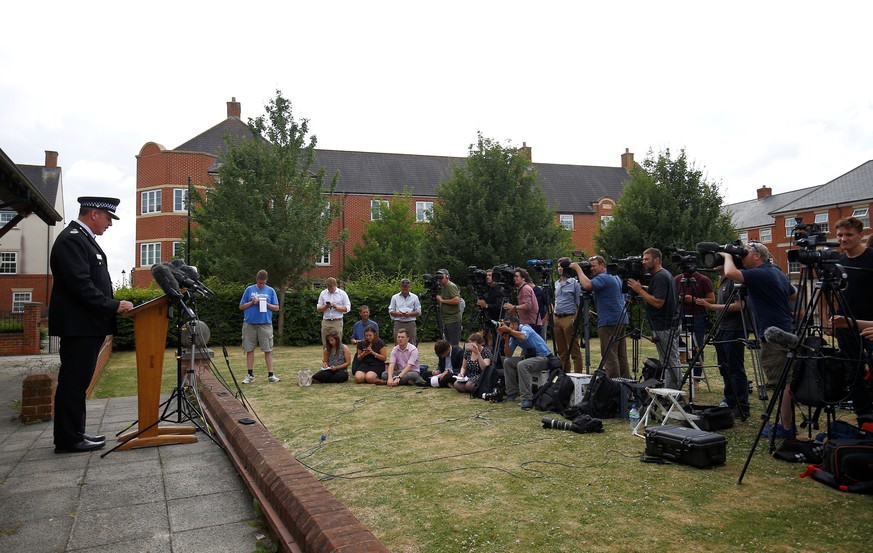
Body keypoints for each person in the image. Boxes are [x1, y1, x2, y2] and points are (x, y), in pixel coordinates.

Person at [49, 196, 134, 454]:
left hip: (86, 325)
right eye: (108, 218)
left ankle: (75, 432)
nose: (110, 223)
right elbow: (80, 285)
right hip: (79, 326)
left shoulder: (82, 239)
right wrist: (113, 305)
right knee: (73, 382)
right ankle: (68, 439)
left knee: (78, 382)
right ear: (94, 214)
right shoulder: (73, 239)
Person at [723, 241, 797, 438]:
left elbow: (730, 274)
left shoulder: (761, 273)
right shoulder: (776, 272)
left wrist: (727, 255)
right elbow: (794, 293)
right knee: (785, 380)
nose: (741, 256)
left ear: (757, 256)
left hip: (774, 334)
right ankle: (785, 424)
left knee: (781, 382)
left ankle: (786, 427)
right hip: (784, 328)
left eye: (744, 253)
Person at [832, 216, 873, 423]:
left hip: (870, 325)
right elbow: (828, 293)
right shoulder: (838, 262)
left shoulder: (871, 258)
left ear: (861, 235)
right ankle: (863, 414)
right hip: (844, 325)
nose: (843, 239)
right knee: (852, 370)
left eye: (848, 235)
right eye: (840, 235)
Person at [695, 265, 750, 415]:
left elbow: (740, 305)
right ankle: (730, 399)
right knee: (724, 367)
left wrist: (711, 306)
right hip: (723, 328)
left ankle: (741, 404)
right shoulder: (723, 280)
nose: (712, 263)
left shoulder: (734, 279)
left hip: (734, 329)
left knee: (735, 367)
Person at [627, 248, 681, 388]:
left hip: (664, 325)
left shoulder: (660, 277)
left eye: (647, 259)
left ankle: (673, 393)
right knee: (670, 359)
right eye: (643, 259)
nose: (643, 262)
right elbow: (657, 292)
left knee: (670, 361)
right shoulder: (663, 275)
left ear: (657, 260)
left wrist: (639, 290)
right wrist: (643, 287)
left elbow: (658, 302)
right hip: (669, 323)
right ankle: (671, 390)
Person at [576, 256, 630, 379]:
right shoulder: (614, 276)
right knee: (621, 355)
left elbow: (587, 285)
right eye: (590, 267)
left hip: (609, 321)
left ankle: (613, 385)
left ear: (602, 265)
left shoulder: (603, 277)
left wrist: (578, 269)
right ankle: (625, 385)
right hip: (620, 318)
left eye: (594, 266)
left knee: (609, 356)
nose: (592, 269)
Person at [497, 315, 553, 411]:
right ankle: (512, 392)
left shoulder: (525, 328)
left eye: (507, 325)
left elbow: (523, 337)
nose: (506, 327)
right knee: (507, 362)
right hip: (531, 358)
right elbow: (508, 355)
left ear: (515, 324)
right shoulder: (513, 336)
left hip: (544, 358)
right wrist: (506, 340)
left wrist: (510, 331)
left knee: (522, 364)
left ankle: (527, 398)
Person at [239, 269, 281, 384]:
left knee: (268, 349)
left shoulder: (270, 291)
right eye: (259, 282)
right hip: (250, 324)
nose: (261, 284)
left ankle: (271, 374)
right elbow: (241, 306)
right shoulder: (249, 290)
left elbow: (277, 308)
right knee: (249, 349)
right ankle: (250, 374)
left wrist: (266, 304)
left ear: (266, 280)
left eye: (263, 283)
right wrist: (252, 302)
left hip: (265, 323)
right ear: (256, 279)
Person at [674, 269, 715, 383]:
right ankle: (683, 351)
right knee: (673, 336)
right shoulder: (677, 279)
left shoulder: (703, 280)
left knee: (698, 347)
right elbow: (671, 296)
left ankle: (696, 378)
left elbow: (711, 299)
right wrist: (679, 298)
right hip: (680, 313)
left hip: (698, 315)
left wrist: (694, 299)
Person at [552, 258, 583, 373]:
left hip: (569, 317)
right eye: (558, 266)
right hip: (557, 318)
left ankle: (578, 375)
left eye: (562, 266)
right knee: (562, 351)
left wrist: (575, 319)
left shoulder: (574, 283)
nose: (560, 268)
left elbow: (579, 303)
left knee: (574, 350)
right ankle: (565, 375)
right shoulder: (556, 283)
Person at [503, 268, 541, 337]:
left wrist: (513, 307)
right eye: (514, 276)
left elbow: (528, 306)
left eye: (517, 276)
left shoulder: (525, 288)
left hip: (532, 323)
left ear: (523, 278)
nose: (514, 278)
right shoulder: (522, 289)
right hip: (528, 323)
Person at [317, 277, 351, 348]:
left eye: (331, 287)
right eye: (328, 287)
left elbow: (347, 308)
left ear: (335, 285)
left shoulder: (342, 293)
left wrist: (337, 307)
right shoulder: (323, 293)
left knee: (337, 342)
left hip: (337, 321)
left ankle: (337, 358)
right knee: (326, 343)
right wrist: (326, 306)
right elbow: (319, 308)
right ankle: (326, 358)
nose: (330, 289)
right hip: (326, 321)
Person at [475, 269, 503, 346]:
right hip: (491, 318)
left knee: (498, 342)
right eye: (486, 275)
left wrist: (486, 305)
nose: (487, 277)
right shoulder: (488, 289)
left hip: (498, 319)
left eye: (490, 275)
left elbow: (499, 305)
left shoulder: (498, 289)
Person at [389, 278, 421, 344]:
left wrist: (410, 314)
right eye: (403, 287)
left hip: (410, 322)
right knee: (398, 343)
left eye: (406, 287)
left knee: (412, 343)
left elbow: (419, 311)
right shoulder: (394, 297)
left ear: (409, 287)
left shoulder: (415, 297)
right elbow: (391, 310)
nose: (405, 288)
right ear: (400, 287)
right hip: (398, 322)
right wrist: (397, 313)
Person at [435, 269, 462, 345]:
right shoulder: (444, 287)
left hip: (452, 319)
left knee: (454, 343)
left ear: (447, 277)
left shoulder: (450, 286)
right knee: (448, 342)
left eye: (441, 277)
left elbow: (456, 300)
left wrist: (442, 301)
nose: (439, 280)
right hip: (447, 320)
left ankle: (456, 356)